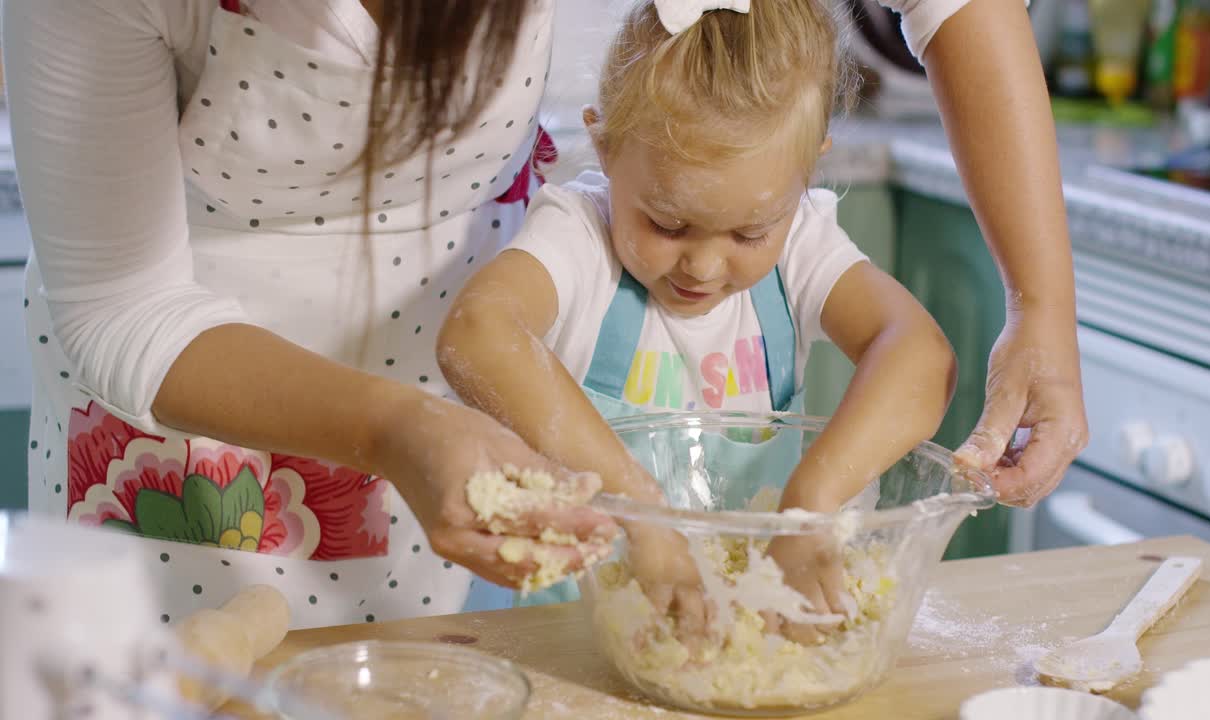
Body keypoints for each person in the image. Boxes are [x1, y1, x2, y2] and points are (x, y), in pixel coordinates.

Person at [5, 0, 1085, 629]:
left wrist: (1040, 299)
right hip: (193, 426)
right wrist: (400, 431)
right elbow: (122, 303)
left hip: (459, 437)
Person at [439, 0, 957, 640]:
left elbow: (921, 356)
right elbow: (475, 336)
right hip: (559, 631)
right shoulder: (579, 239)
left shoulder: (801, 244)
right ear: (604, 147)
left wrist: (812, 503)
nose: (705, 267)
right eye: (667, 224)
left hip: (736, 629)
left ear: (806, 177)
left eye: (749, 232)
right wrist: (640, 512)